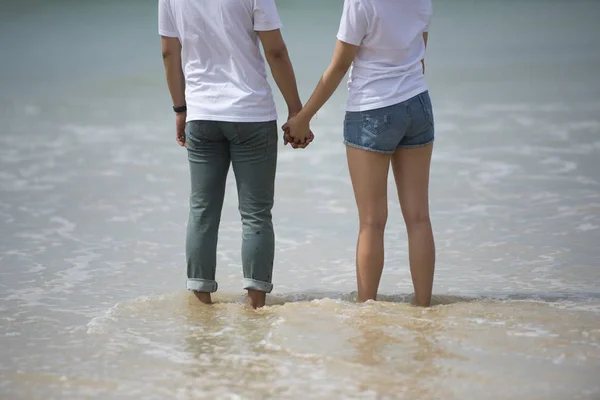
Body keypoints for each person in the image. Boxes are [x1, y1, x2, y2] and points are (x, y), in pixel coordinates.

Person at [159, 0, 313, 309]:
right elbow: (276, 51)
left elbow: (168, 52)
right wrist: (297, 110)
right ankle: (255, 303)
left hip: (201, 114)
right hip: (251, 113)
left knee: (202, 209)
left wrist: (180, 109)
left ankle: (202, 300)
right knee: (255, 213)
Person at [284, 0, 435, 306]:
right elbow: (420, 53)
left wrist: (303, 118)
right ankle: (424, 307)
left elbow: (339, 65)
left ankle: (368, 311)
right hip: (418, 104)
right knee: (418, 218)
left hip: (372, 110)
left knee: (371, 222)